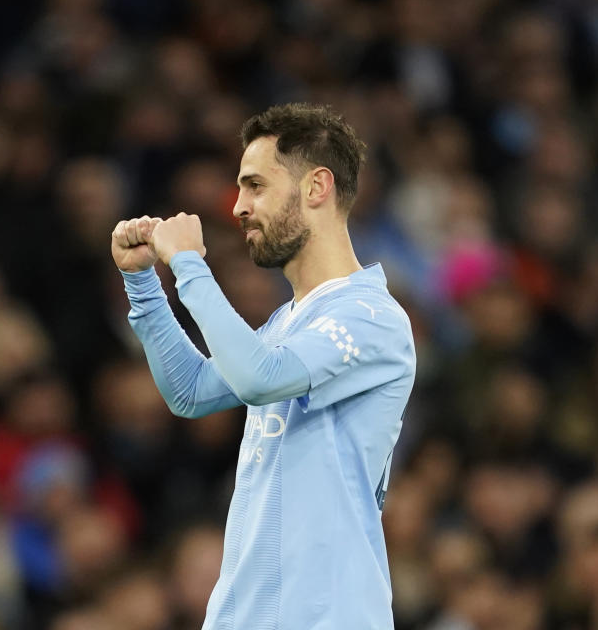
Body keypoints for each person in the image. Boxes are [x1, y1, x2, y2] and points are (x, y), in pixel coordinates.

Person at [111, 103, 416, 629]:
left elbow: (258, 379)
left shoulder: (371, 317)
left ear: (316, 187)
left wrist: (188, 263)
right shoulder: (286, 325)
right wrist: (144, 284)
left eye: (255, 185)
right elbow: (191, 392)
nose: (238, 207)